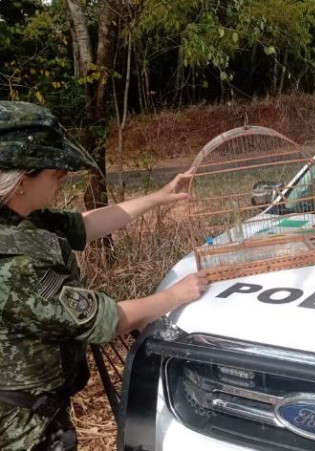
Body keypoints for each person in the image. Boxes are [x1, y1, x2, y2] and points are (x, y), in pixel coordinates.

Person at [0, 101, 209, 450]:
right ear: (21, 180)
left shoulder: (19, 217)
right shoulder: (14, 265)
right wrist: (177, 294)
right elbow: (106, 320)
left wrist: (159, 197)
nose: (63, 177)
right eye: (55, 171)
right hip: (23, 428)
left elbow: (87, 224)